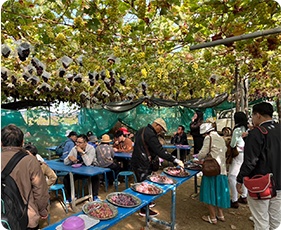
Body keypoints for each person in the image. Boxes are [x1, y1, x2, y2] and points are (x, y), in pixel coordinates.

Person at [237, 102, 281, 230]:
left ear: (258, 115)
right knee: (276, 220)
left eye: (253, 115)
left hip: (261, 185)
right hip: (279, 183)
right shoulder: (278, 130)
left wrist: (240, 179)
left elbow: (250, 161)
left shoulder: (257, 133)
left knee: (261, 221)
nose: (252, 119)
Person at [132, 118, 184, 217]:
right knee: (144, 186)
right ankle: (144, 210)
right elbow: (160, 151)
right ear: (157, 125)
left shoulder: (141, 130)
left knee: (141, 183)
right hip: (143, 164)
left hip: (136, 161)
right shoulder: (151, 134)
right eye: (161, 129)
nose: (161, 132)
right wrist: (175, 160)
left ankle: (146, 203)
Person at [0, 124, 49, 230]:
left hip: (2, 218)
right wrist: (43, 211)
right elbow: (40, 190)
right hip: (26, 218)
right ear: (22, 142)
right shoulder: (30, 161)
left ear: (0, 143)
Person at [198, 123, 230, 224]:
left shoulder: (208, 138)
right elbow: (223, 151)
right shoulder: (221, 138)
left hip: (212, 170)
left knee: (210, 193)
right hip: (222, 170)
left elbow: (202, 153)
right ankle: (221, 215)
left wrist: (197, 158)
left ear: (206, 133)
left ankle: (212, 217)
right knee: (219, 192)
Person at [63, 134, 100, 202]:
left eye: (80, 142)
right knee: (66, 179)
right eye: (77, 142)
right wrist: (69, 158)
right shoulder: (74, 149)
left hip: (91, 169)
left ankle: (95, 196)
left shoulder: (91, 148)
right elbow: (65, 162)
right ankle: (73, 196)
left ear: (85, 143)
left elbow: (88, 163)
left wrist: (82, 152)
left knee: (96, 177)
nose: (77, 144)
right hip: (79, 170)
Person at [228, 112, 248, 208]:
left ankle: (234, 199)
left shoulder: (237, 130)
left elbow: (232, 144)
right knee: (243, 175)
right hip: (247, 154)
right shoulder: (248, 128)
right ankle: (244, 196)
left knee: (232, 176)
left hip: (238, 154)